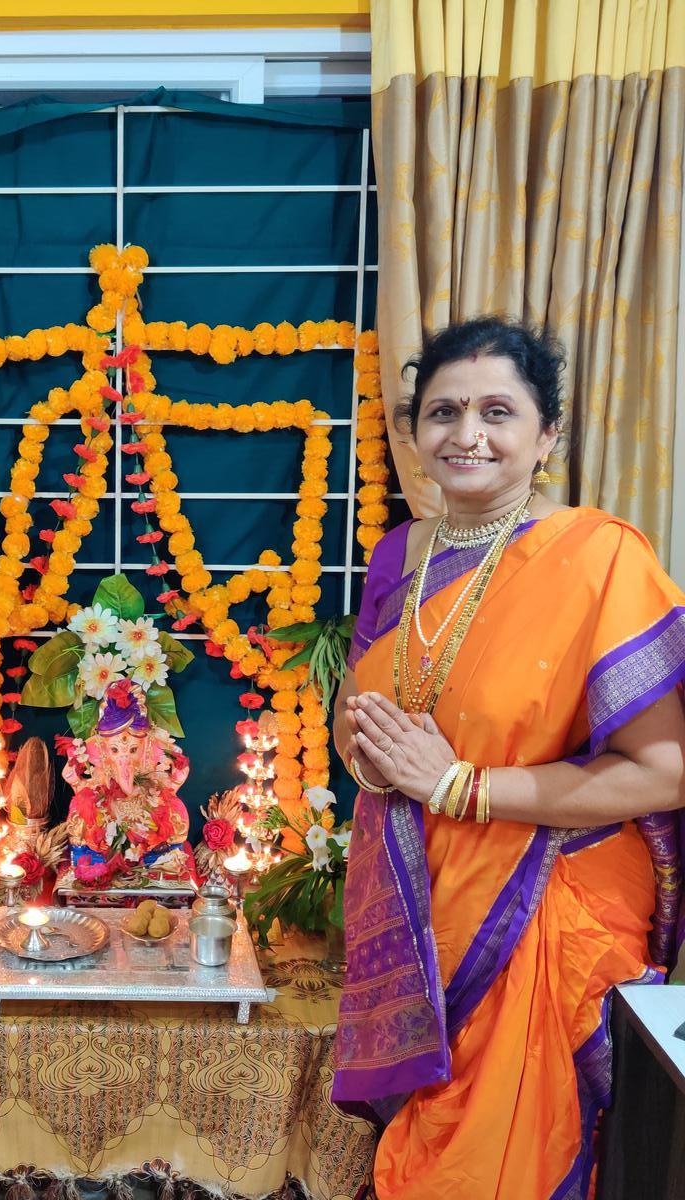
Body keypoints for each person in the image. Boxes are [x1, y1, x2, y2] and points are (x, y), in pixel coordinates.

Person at [330, 316, 685, 1200]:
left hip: (544, 906)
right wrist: (376, 759)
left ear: (546, 434)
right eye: (443, 412)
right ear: (414, 434)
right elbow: (358, 713)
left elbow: (664, 771)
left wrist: (460, 785)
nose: (468, 433)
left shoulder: (598, 558)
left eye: (498, 410)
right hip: (423, 905)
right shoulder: (397, 556)